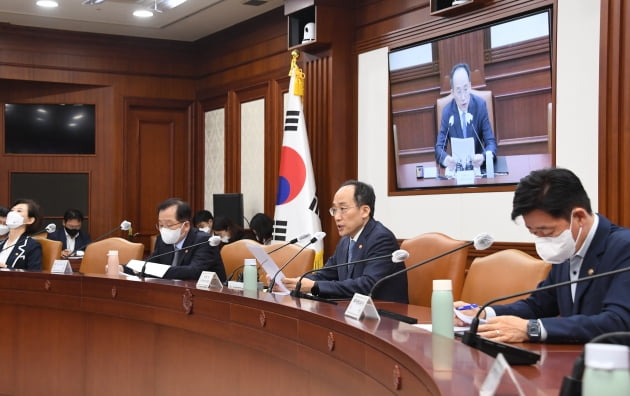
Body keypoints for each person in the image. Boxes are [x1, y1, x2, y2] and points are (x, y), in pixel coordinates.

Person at [455, 168, 630, 343]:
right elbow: (538, 305)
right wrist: (482, 313)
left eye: (546, 230)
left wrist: (532, 329)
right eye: (534, 232)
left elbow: (618, 322)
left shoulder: (623, 247)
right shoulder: (568, 247)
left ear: (579, 217)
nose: (543, 241)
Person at [280, 180, 408, 303]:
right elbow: (325, 275)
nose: (337, 217)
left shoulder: (381, 238)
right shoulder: (345, 241)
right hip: (354, 313)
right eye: (334, 210)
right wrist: (293, 282)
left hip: (385, 316)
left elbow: (367, 285)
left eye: (343, 208)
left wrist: (315, 286)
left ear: (364, 211)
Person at [133, 198, 226, 281]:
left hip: (206, 295)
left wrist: (153, 270)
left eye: (169, 225)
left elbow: (193, 271)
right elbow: (147, 263)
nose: (164, 230)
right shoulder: (162, 241)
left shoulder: (204, 241)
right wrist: (122, 268)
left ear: (185, 226)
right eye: (161, 225)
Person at [434, 63, 497, 174]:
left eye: (466, 89)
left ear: (470, 86)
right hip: (458, 171)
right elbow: (439, 148)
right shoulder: (447, 112)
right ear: (452, 92)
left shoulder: (480, 106)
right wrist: (446, 160)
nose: (463, 97)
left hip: (478, 170)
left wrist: (483, 157)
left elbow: (491, 143)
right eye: (458, 91)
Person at [0, 199, 43, 270]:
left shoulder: (32, 246)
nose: (12, 213)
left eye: (19, 211)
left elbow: (34, 276)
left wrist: (6, 268)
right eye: (12, 210)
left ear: (30, 220)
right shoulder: (2, 243)